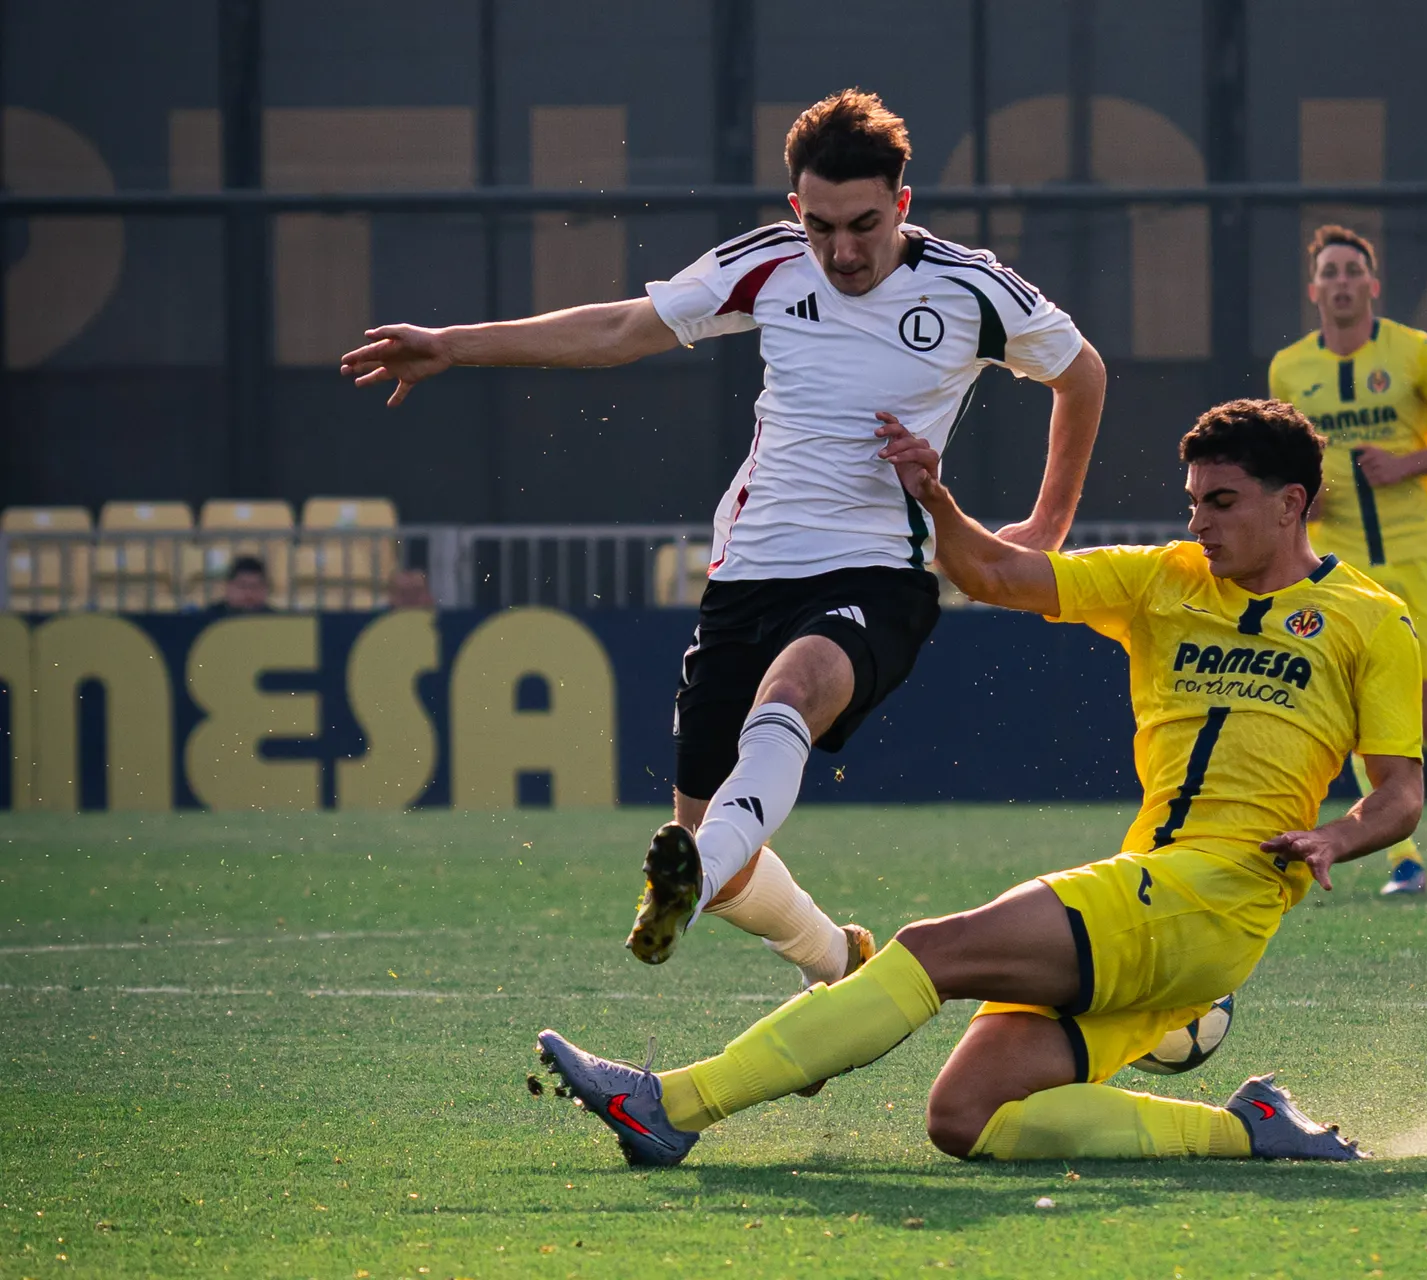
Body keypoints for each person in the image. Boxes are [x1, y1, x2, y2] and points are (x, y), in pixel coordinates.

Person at [340, 90, 1106, 987]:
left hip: (878, 571)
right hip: (748, 574)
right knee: (718, 841)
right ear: (795, 210)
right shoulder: (768, 262)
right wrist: (453, 344)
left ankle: (694, 879)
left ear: (902, 204)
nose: (842, 251)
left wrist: (1046, 527)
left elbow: (1081, 372)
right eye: (821, 227)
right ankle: (833, 956)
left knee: (795, 690)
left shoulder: (971, 288)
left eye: (864, 225)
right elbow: (622, 329)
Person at [535, 398, 1424, 1167]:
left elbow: (1400, 793)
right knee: (967, 1116)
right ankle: (1247, 1132)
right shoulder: (1166, 580)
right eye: (1192, 502)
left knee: (935, 949)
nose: (1199, 523)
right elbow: (995, 572)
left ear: (1291, 503)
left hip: (1220, 893)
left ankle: (673, 1106)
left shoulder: (1369, 621)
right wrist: (937, 500)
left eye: (1221, 503)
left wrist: (1337, 836)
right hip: (1160, 901)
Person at [1268, 225, 1427, 896]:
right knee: (1361, 717)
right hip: (1343, 562)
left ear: (1372, 285)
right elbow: (1285, 457)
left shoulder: (1415, 351)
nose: (1340, 282)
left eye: (1351, 272)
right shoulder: (1288, 368)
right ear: (1314, 290)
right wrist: (1301, 497)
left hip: (1421, 551)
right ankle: (1404, 859)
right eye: (1329, 272)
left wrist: (1407, 464)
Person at [203, 555, 273, 616]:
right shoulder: (207, 620)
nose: (249, 592)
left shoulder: (274, 619)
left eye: (255, 586)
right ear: (228, 587)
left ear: (265, 589)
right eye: (242, 586)